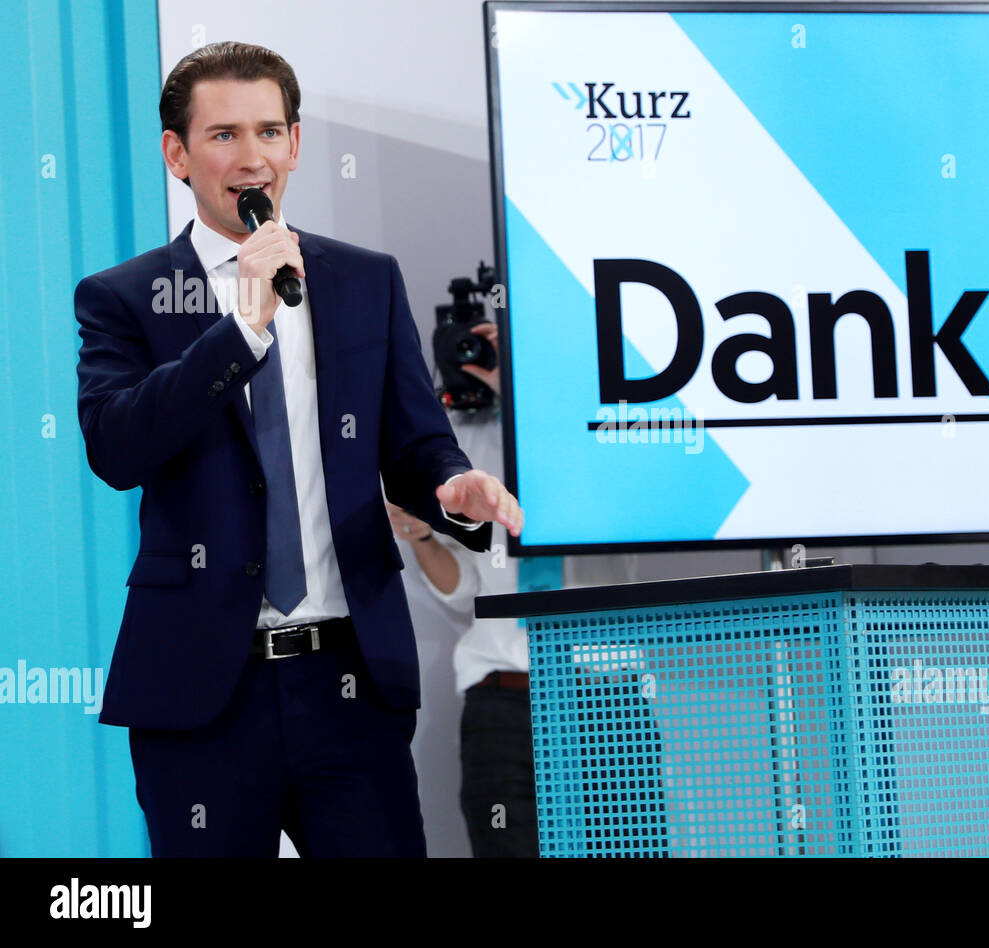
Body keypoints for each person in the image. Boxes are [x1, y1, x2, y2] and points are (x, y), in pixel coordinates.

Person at [74, 41, 522, 857]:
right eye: (223, 136)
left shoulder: (363, 279)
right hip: (205, 691)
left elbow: (416, 444)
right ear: (176, 153)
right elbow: (116, 446)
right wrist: (241, 328)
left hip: (349, 683)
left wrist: (453, 487)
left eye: (269, 132)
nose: (252, 158)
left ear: (297, 143)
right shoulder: (123, 297)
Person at [388, 322, 648, 857]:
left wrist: (533, 403)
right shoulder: (461, 442)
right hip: (503, 703)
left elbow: (615, 510)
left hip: (608, 698)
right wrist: (420, 538)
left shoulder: (602, 427)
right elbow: (466, 590)